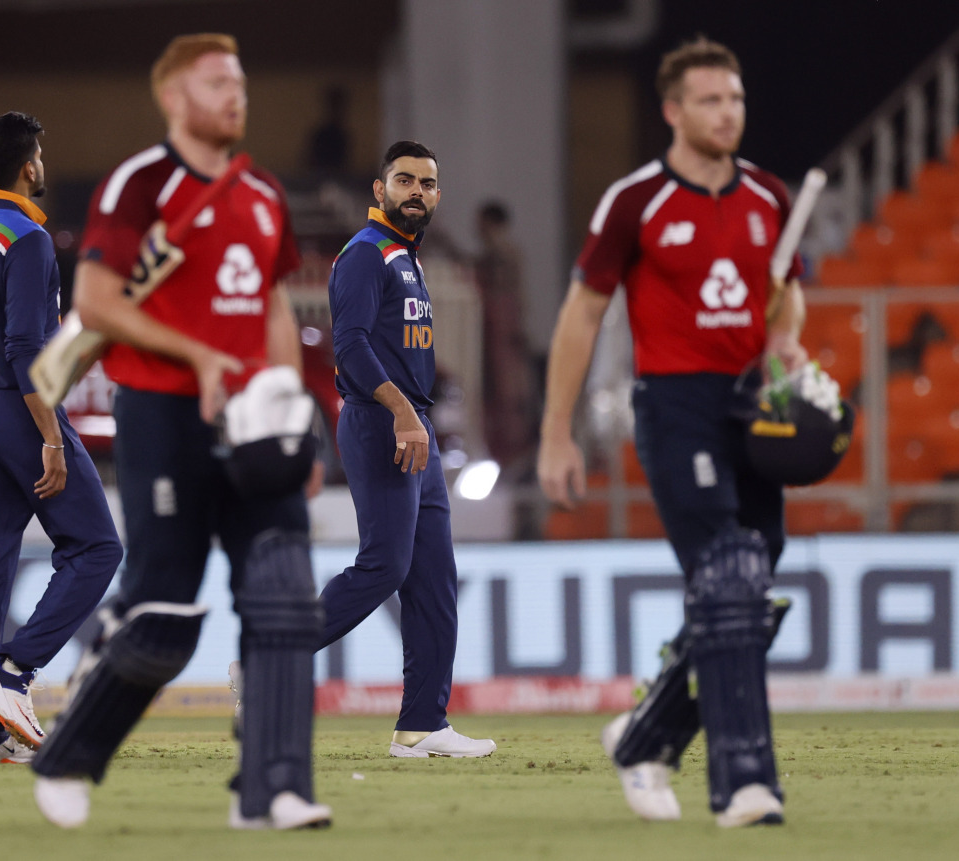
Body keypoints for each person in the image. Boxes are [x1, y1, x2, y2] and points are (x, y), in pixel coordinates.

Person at [28, 34, 331, 832]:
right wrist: (195, 354)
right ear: (172, 97)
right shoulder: (140, 182)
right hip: (163, 413)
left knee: (285, 599)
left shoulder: (262, 190)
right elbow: (95, 301)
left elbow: (272, 305)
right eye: (216, 82)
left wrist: (290, 413)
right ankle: (68, 755)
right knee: (163, 616)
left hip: (250, 421)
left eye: (240, 82)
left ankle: (273, 788)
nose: (235, 95)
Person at [537, 37, 807, 828]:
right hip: (674, 403)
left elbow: (785, 293)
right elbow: (581, 314)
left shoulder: (769, 195)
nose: (728, 113)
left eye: (736, 98)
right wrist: (556, 431)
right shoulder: (636, 200)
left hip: (752, 403)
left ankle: (645, 734)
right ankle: (746, 782)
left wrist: (786, 343)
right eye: (711, 100)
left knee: (751, 573)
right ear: (673, 111)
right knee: (727, 570)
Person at [0, 112, 123, 761]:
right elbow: (25, 346)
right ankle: (12, 672)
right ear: (29, 165)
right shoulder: (27, 236)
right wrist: (50, 436)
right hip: (17, 410)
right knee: (97, 547)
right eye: (40, 155)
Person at [319, 140, 496, 759]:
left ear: (438, 195)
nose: (416, 191)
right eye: (404, 180)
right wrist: (401, 412)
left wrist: (416, 417)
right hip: (382, 424)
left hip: (412, 427)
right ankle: (267, 653)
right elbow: (349, 345)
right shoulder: (366, 254)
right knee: (385, 566)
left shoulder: (405, 257)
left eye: (426, 183)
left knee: (433, 580)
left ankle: (423, 724)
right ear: (380, 189)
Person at [474, 201, 537, 467]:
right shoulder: (491, 256)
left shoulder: (506, 254)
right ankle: (501, 453)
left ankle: (515, 454)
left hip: (505, 332)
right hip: (492, 333)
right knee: (495, 394)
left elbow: (517, 295)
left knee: (511, 394)